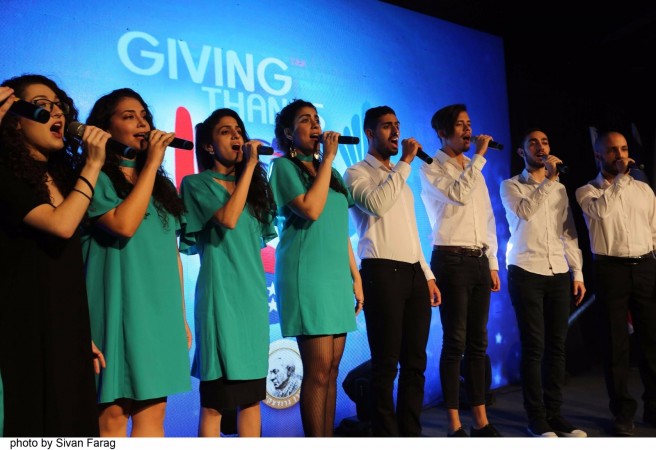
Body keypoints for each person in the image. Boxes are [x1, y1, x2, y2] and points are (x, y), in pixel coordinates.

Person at [0, 75, 108, 436]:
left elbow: (63, 262)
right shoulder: (5, 174)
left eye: (59, 105)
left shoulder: (59, 177)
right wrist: (93, 164)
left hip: (66, 327)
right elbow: (60, 225)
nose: (56, 113)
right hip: (26, 326)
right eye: (43, 107)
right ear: (15, 119)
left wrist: (80, 333)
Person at [82, 88, 192, 437]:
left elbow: (171, 254)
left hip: (158, 314)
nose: (142, 123)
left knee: (153, 412)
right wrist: (152, 165)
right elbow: (123, 225)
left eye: (144, 115)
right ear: (104, 126)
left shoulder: (161, 187)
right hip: (115, 309)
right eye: (129, 116)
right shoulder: (94, 175)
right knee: (113, 414)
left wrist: (180, 316)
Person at [343, 106, 441, 436]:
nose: (395, 132)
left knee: (415, 362)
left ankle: (411, 433)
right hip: (381, 272)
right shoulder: (356, 173)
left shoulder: (402, 180)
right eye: (387, 127)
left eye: (397, 125)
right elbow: (376, 204)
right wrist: (405, 163)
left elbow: (412, 232)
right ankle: (385, 434)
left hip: (413, 272)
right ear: (370, 133)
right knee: (385, 364)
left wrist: (427, 274)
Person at [268, 99, 363, 437]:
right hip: (308, 275)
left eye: (316, 119)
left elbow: (340, 229)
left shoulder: (330, 173)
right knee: (318, 371)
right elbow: (310, 209)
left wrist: (355, 276)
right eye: (305, 120)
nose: (315, 126)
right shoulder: (282, 169)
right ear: (288, 133)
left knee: (332, 370)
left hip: (336, 275)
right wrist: (329, 160)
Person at [179, 108, 277, 437]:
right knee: (215, 403)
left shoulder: (255, 189)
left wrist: (250, 172)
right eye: (225, 132)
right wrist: (250, 165)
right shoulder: (195, 184)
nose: (237, 137)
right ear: (208, 146)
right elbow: (228, 219)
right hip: (220, 300)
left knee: (251, 400)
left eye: (239, 130)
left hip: (251, 301)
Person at [419, 103, 501, 437]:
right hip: (450, 260)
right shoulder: (430, 167)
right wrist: (480, 157)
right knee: (455, 342)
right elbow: (458, 196)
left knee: (478, 343)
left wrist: (492, 262)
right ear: (442, 131)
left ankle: (481, 419)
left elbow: (487, 217)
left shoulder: (473, 168)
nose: (468, 130)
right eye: (460, 125)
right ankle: (454, 422)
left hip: (478, 259)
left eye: (469, 124)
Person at [500, 128, 587, 437]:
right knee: (534, 345)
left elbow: (568, 232)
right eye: (533, 143)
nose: (541, 147)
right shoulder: (510, 186)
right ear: (522, 152)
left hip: (558, 272)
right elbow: (525, 213)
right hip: (526, 270)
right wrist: (549, 180)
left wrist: (577, 272)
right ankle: (536, 417)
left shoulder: (560, 190)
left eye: (546, 142)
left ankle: (555, 413)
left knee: (557, 347)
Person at [575, 131, 656, 436]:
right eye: (612, 151)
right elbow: (601, 212)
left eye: (623, 149)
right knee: (615, 344)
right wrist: (621, 180)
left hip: (645, 265)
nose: (620, 155)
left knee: (651, 342)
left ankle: (654, 407)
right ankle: (623, 413)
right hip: (611, 269)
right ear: (598, 156)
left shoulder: (644, 191)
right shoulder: (587, 191)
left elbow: (653, 230)